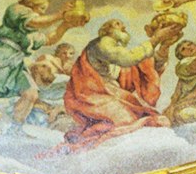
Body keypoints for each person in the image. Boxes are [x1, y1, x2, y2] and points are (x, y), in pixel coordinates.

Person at [62, 14, 183, 150]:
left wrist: (164, 47)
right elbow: (127, 59)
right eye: (118, 24)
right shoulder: (102, 43)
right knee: (126, 120)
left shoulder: (116, 50)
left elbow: (143, 68)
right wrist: (155, 39)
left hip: (110, 93)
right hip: (91, 96)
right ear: (107, 30)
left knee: (138, 117)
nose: (124, 27)